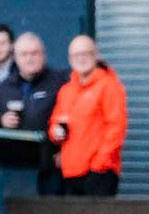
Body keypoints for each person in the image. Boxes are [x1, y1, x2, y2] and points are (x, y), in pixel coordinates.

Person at [48, 35, 128, 197]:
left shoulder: (109, 86)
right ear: (70, 60)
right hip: (71, 173)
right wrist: (56, 132)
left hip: (99, 174)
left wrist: (100, 165)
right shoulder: (67, 90)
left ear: (96, 55)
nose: (81, 59)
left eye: (86, 53)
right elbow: (54, 123)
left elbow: (116, 127)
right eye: (76, 55)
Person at [0, 32, 68, 196]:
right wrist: (2, 119)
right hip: (14, 169)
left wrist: (67, 151)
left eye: (34, 53)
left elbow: (76, 117)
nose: (29, 58)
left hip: (50, 166)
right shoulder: (5, 87)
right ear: (15, 57)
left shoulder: (60, 82)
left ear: (43, 55)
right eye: (24, 54)